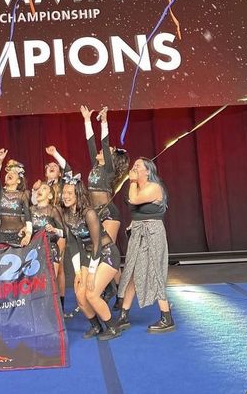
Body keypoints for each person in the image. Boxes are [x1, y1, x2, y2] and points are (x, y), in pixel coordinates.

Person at [115, 158, 175, 334]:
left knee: (156, 271)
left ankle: (167, 317)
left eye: (138, 166)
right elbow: (136, 208)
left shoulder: (154, 187)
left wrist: (132, 181)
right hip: (138, 232)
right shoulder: (138, 187)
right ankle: (124, 315)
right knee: (132, 271)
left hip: (153, 233)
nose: (134, 168)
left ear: (148, 171)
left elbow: (133, 200)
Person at [61, 174, 121, 341]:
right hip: (89, 256)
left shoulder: (89, 213)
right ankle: (96, 326)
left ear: (78, 195)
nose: (65, 196)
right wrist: (78, 273)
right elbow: (72, 244)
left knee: (92, 294)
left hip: (106, 253)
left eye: (70, 193)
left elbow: (97, 244)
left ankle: (112, 327)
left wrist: (92, 273)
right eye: (64, 192)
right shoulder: (67, 214)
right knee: (80, 295)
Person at [81, 105, 130, 306]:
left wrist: (104, 122)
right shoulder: (95, 165)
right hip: (95, 213)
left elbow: (104, 141)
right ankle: (111, 289)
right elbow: (91, 143)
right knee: (97, 250)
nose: (102, 151)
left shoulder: (109, 170)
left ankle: (119, 293)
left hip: (109, 214)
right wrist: (86, 119)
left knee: (106, 250)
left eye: (107, 151)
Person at [31, 145, 71, 310]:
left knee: (58, 267)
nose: (52, 168)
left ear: (59, 173)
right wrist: (35, 191)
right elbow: (33, 208)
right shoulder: (42, 189)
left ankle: (59, 305)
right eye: (49, 168)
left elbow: (68, 169)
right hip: (42, 231)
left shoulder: (63, 185)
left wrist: (55, 153)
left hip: (59, 228)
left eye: (55, 167)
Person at [31, 181, 67, 307]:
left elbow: (64, 233)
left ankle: (55, 311)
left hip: (51, 249)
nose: (40, 189)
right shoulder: (30, 210)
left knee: (49, 283)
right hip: (34, 250)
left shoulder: (53, 210)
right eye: (39, 188)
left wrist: (54, 229)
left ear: (50, 196)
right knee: (36, 284)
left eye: (44, 188)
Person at [0, 149, 32, 246]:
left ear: (18, 181)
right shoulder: (1, 193)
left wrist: (28, 235)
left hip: (18, 236)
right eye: (8, 173)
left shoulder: (22, 195)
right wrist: (0, 161)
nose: (9, 174)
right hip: (1, 236)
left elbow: (28, 218)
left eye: (13, 173)